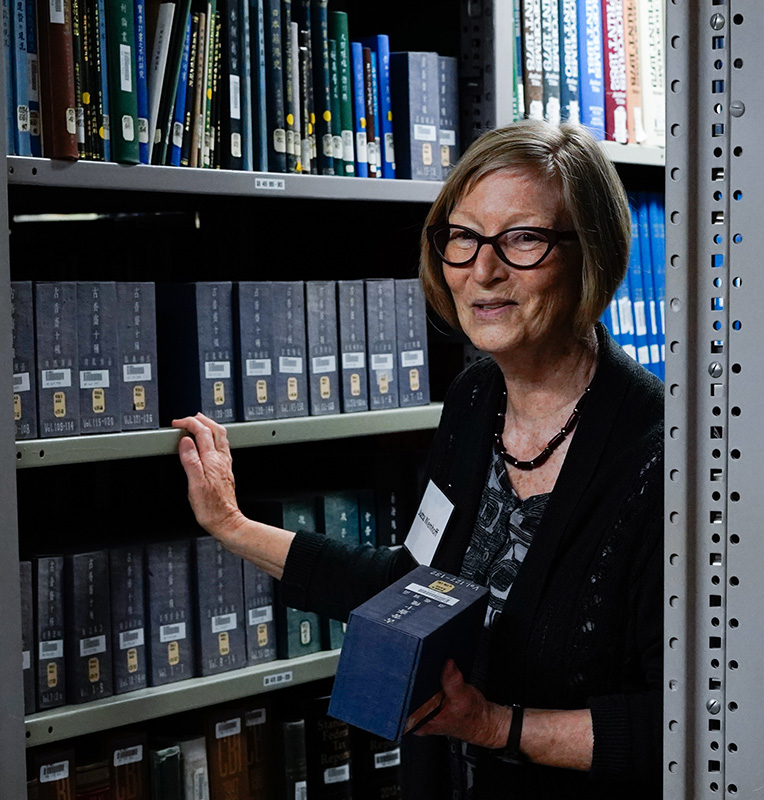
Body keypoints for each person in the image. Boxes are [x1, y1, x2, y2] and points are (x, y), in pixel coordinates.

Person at [172, 119, 664, 800]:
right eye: (463, 237)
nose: (482, 270)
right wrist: (232, 524)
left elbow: (681, 720)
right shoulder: (473, 401)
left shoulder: (658, 455)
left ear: (593, 255)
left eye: (522, 238)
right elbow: (418, 585)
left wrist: (496, 726)